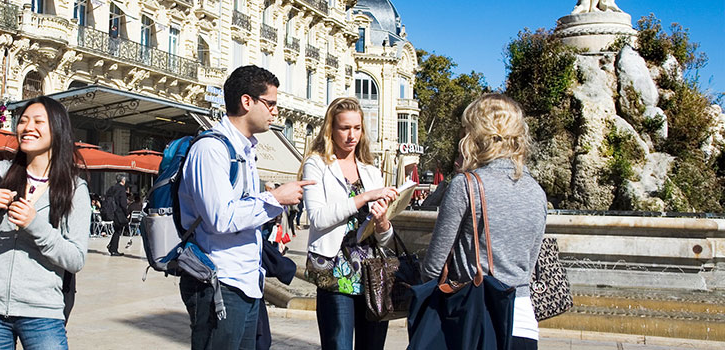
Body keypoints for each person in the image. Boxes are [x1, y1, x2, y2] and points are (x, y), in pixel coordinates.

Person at [177, 65, 312, 350]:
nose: (275, 112)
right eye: (271, 104)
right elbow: (220, 218)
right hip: (218, 281)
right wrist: (275, 199)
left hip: (245, 281)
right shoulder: (211, 149)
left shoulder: (245, 150)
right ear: (247, 101)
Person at [0, 96, 90, 350]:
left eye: (38, 121)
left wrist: (35, 224)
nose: (28, 127)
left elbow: (75, 258)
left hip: (42, 312)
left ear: (57, 130)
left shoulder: (74, 189)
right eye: (23, 121)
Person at [420, 94, 546, 350]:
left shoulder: (466, 186)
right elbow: (529, 264)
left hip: (474, 320)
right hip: (523, 321)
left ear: (475, 134)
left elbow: (433, 267)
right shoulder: (536, 191)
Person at [301, 97, 400, 350]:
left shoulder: (371, 170)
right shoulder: (317, 164)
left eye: (357, 128)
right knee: (338, 345)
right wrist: (364, 197)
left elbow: (384, 239)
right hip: (335, 271)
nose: (351, 135)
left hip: (372, 273)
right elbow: (318, 218)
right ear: (331, 129)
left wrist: (382, 223)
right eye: (344, 128)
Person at [103, 173, 129, 256]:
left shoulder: (112, 188)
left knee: (116, 230)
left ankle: (111, 246)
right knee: (118, 230)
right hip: (119, 212)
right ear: (122, 180)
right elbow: (123, 203)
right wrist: (127, 213)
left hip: (112, 211)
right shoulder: (121, 189)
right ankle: (113, 249)